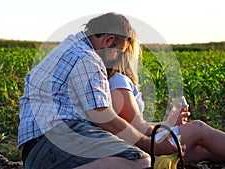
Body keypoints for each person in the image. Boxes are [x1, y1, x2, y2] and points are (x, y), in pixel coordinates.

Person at [18, 12, 177, 169]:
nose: (116, 60)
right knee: (138, 160)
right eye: (118, 52)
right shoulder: (87, 58)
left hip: (36, 148)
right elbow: (103, 116)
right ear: (108, 40)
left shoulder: (69, 47)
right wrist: (149, 144)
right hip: (55, 139)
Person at [106, 36, 225, 163]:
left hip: (129, 145)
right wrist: (169, 123)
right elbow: (136, 128)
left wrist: (170, 123)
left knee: (202, 151)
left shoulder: (113, 80)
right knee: (198, 128)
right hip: (136, 148)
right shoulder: (119, 80)